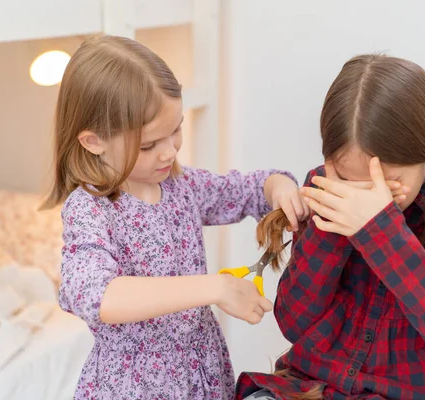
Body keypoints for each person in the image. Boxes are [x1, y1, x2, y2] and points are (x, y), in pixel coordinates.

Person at [41, 35, 307, 400]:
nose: (169, 152)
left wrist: (279, 188)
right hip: (134, 388)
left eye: (176, 129)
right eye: (149, 145)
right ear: (93, 141)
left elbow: (248, 189)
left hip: (202, 376)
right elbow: (95, 294)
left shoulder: (181, 185)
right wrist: (215, 287)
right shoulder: (91, 208)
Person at [237, 54, 425, 400]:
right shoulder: (326, 190)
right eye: (352, 180)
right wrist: (333, 223)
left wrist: (382, 231)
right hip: (314, 387)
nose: (368, 194)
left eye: (390, 181)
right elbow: (294, 323)